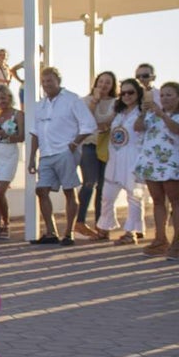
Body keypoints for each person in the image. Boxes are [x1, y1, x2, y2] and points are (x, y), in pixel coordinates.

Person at [26, 68, 97, 247]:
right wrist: (32, 157)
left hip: (65, 152)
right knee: (41, 190)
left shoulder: (72, 99)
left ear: (58, 80)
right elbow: (35, 133)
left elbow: (88, 124)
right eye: (43, 81)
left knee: (69, 190)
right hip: (46, 153)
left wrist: (74, 144)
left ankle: (69, 233)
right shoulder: (40, 105)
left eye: (50, 80)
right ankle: (51, 232)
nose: (46, 84)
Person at [135, 81, 179, 260]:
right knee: (157, 200)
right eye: (162, 95)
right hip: (152, 162)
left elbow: (178, 130)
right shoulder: (152, 115)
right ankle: (160, 238)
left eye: (169, 95)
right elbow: (138, 128)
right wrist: (142, 113)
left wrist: (162, 114)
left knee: (175, 199)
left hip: (172, 164)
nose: (165, 98)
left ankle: (177, 241)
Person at [96, 79, 146, 245]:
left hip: (133, 156)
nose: (126, 96)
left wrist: (145, 110)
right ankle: (105, 226)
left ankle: (131, 232)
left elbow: (140, 128)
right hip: (115, 156)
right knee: (107, 195)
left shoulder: (142, 112)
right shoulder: (119, 112)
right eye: (123, 93)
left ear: (138, 93)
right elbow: (104, 125)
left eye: (130, 92)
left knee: (134, 196)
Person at [76, 71, 117, 239]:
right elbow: (87, 121)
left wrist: (101, 125)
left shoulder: (117, 103)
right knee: (89, 182)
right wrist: (95, 101)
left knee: (103, 186)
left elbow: (110, 123)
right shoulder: (85, 101)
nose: (104, 85)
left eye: (108, 82)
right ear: (96, 83)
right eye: (101, 81)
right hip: (89, 145)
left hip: (108, 147)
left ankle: (102, 224)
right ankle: (80, 222)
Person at [0, 85, 24, 237]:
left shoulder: (18, 114)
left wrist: (4, 133)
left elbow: (21, 137)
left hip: (10, 153)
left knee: (0, 191)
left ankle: (6, 222)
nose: (1, 101)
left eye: (4, 98)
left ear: (10, 97)